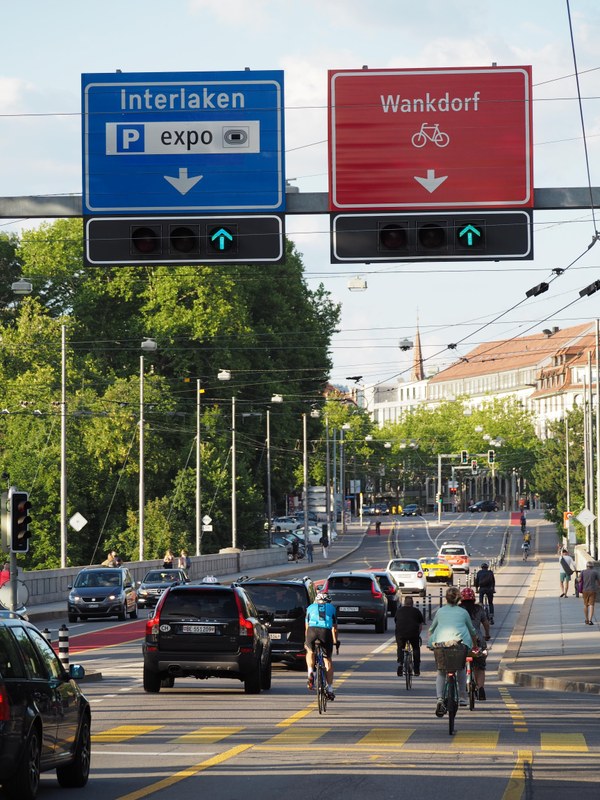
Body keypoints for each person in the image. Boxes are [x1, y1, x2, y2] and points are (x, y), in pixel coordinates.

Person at [428, 586, 478, 716]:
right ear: (458, 599)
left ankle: (439, 699)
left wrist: (430, 643)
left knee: (441, 671)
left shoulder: (440, 611)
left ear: (446, 598)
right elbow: (472, 631)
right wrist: (475, 644)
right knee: (461, 668)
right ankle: (462, 697)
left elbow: (432, 629)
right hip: (459, 645)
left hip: (441, 645)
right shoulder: (463, 612)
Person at [305, 591, 339, 699]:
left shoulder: (310, 607)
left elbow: (306, 627)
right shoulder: (331, 608)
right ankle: (330, 688)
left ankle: (311, 672)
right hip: (325, 632)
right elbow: (335, 628)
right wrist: (335, 641)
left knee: (310, 651)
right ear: (328, 601)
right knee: (327, 659)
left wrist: (307, 641)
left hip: (311, 631)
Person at [459, 587, 491, 700]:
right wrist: (487, 634)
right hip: (478, 640)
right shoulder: (479, 609)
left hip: (461, 641)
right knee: (480, 666)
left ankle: (461, 689)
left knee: (459, 665)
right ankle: (481, 688)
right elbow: (486, 624)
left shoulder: (458, 609)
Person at [394, 595, 424, 677]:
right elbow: (420, 625)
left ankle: (400, 663)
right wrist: (418, 634)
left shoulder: (399, 611)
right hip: (413, 633)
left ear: (404, 603)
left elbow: (396, 622)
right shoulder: (416, 611)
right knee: (416, 648)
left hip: (401, 633)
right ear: (412, 603)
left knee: (400, 647)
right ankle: (417, 669)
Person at [579, 560, 600, 624]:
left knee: (585, 605)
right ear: (592, 566)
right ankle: (590, 620)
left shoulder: (583, 572)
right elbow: (599, 581)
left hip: (585, 590)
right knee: (591, 605)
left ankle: (586, 619)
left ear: (586, 566)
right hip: (593, 590)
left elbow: (579, 580)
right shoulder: (595, 572)